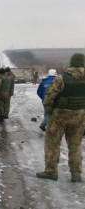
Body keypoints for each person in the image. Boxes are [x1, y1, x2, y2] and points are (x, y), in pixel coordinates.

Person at [36, 53, 85, 182]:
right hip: (79, 117)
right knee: (75, 146)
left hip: (59, 117)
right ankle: (76, 173)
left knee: (52, 144)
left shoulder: (61, 78)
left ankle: (51, 171)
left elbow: (49, 97)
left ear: (71, 63)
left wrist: (49, 112)